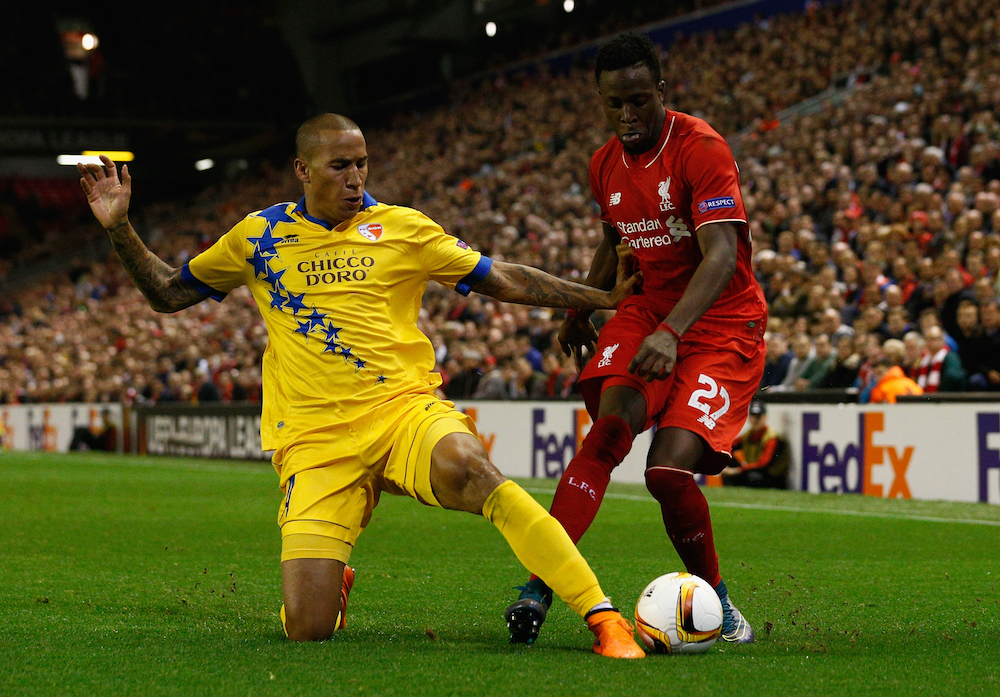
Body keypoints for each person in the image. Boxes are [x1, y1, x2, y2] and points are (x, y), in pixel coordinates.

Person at [77, 114, 647, 659]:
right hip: (316, 441)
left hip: (402, 411)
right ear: (303, 170)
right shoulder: (258, 236)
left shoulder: (404, 228)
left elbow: (502, 278)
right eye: (339, 166)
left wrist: (601, 298)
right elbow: (168, 293)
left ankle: (603, 617)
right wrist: (120, 228)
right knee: (306, 629)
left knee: (474, 470)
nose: (355, 178)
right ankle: (334, 584)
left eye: (362, 164)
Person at [507, 33, 765, 646]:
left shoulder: (700, 148)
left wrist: (674, 333)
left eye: (639, 100)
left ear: (661, 92)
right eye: (615, 103)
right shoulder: (603, 164)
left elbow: (722, 253)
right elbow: (613, 242)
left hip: (722, 323)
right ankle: (540, 584)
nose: (627, 114)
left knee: (667, 473)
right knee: (607, 433)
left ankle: (719, 602)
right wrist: (582, 307)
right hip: (645, 310)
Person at [722, 400, 789, 489]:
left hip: (770, 476)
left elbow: (763, 464)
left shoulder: (771, 438)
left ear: (764, 418)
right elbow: (728, 447)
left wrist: (738, 470)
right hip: (752, 470)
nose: (755, 420)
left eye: (759, 417)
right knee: (727, 463)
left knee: (753, 478)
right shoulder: (748, 436)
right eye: (753, 416)